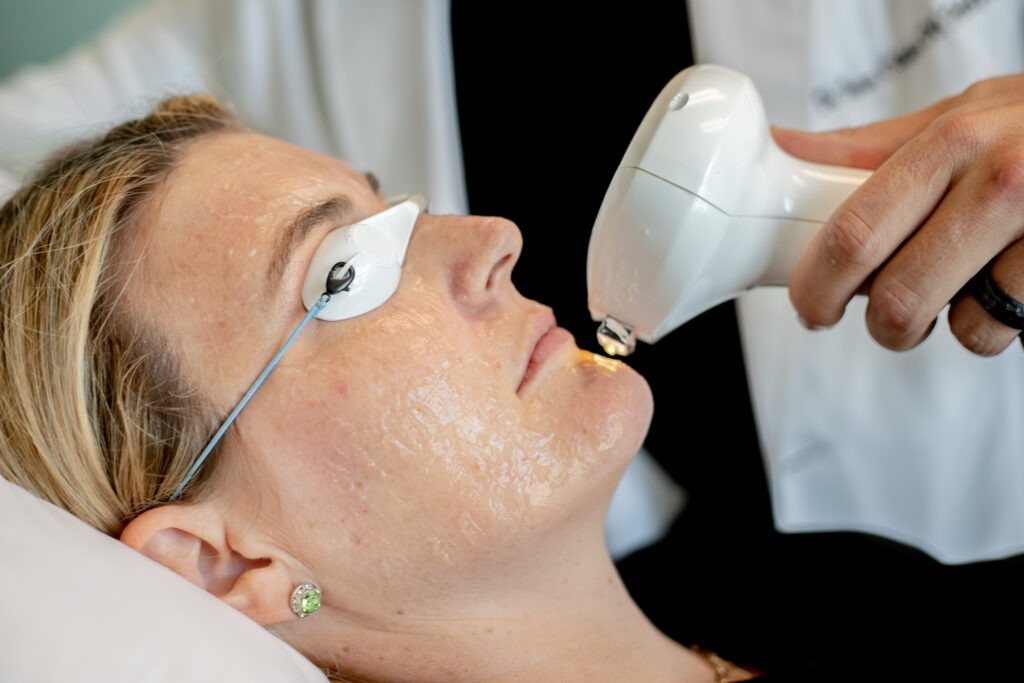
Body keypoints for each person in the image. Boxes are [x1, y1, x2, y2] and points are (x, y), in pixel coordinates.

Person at [0, 91, 780, 682]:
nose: (495, 236)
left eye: (405, 210)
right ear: (226, 563)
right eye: (346, 270)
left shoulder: (834, 584)